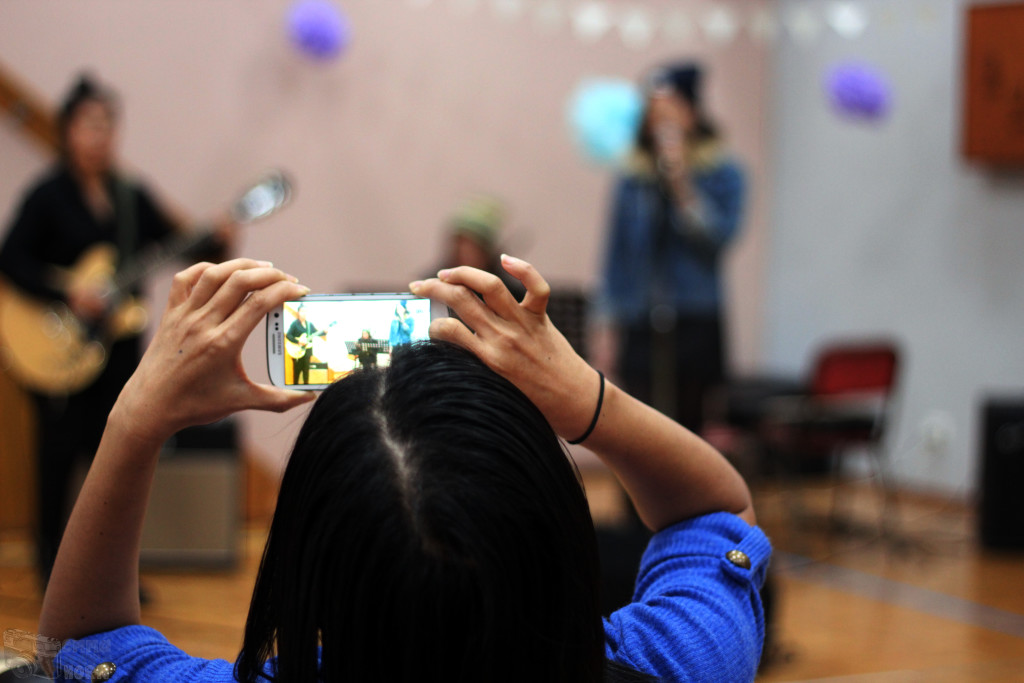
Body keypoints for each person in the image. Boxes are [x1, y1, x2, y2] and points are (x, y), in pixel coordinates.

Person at [40, 257, 769, 682]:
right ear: (554, 533)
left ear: (308, 565)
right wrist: (586, 401)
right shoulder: (673, 661)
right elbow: (715, 512)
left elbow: (80, 644)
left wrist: (135, 419)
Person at [0, 74, 230, 585]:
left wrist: (215, 237)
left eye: (108, 125)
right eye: (89, 124)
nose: (100, 135)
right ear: (67, 131)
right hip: (60, 348)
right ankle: (51, 573)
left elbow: (181, 245)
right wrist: (67, 294)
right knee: (56, 461)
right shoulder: (47, 196)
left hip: (119, 350)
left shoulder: (131, 195)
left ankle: (111, 577)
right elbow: (10, 258)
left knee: (116, 463)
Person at [596, 61, 745, 435]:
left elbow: (718, 241)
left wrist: (683, 187)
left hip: (695, 316)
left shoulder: (724, 174)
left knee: (690, 429)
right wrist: (607, 326)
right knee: (637, 428)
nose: (661, 120)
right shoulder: (633, 180)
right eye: (653, 111)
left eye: (670, 109)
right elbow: (616, 256)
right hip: (641, 317)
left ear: (692, 112)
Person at [285, 304, 328, 384]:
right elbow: (288, 335)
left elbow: (316, 333)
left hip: (307, 352)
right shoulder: (295, 324)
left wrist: (324, 332)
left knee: (306, 373)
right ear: (298, 312)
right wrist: (298, 342)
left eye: (305, 311)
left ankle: (306, 388)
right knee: (296, 373)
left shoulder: (309, 324)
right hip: (297, 352)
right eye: (302, 311)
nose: (304, 313)